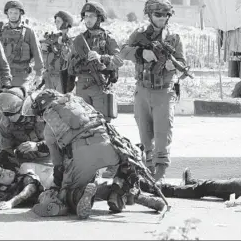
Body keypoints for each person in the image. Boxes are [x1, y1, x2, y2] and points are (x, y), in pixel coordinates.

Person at [23, 89, 166, 219]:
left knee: (69, 198)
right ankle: (120, 193)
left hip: (81, 156)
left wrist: (60, 187)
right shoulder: (80, 104)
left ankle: (82, 195)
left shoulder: (49, 128)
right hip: (108, 146)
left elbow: (58, 165)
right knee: (130, 160)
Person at [119, 0, 187, 183]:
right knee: (144, 132)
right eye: (157, 14)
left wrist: (174, 66)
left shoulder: (173, 38)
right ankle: (147, 168)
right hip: (142, 89)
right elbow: (123, 51)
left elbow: (182, 62)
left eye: (166, 15)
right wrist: (141, 53)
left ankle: (160, 172)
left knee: (163, 132)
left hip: (164, 91)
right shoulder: (139, 34)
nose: (162, 18)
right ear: (149, 14)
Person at [67, 1, 123, 121]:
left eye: (91, 16)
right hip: (82, 86)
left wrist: (101, 58)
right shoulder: (78, 40)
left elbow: (119, 60)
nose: (88, 19)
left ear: (99, 18)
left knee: (102, 124)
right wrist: (77, 59)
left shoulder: (108, 38)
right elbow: (69, 67)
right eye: (86, 16)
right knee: (82, 125)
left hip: (100, 85)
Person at [0, 86, 52, 167]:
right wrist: (9, 158)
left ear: (22, 109)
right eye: (5, 114)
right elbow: (7, 150)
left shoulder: (43, 115)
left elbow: (62, 142)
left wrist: (38, 146)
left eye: (11, 114)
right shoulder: (5, 125)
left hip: (52, 160)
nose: (7, 119)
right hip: (25, 163)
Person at [0, 0, 44, 90]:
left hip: (21, 77)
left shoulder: (28, 32)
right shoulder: (1, 31)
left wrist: (39, 74)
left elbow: (36, 52)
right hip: (3, 76)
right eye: (10, 12)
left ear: (20, 14)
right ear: (7, 13)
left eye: (16, 13)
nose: (13, 15)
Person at [40, 10, 75, 93]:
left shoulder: (71, 39)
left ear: (66, 23)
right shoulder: (55, 37)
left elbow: (68, 57)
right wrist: (44, 49)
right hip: (50, 74)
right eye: (55, 21)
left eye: (58, 21)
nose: (56, 23)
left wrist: (63, 45)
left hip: (62, 76)